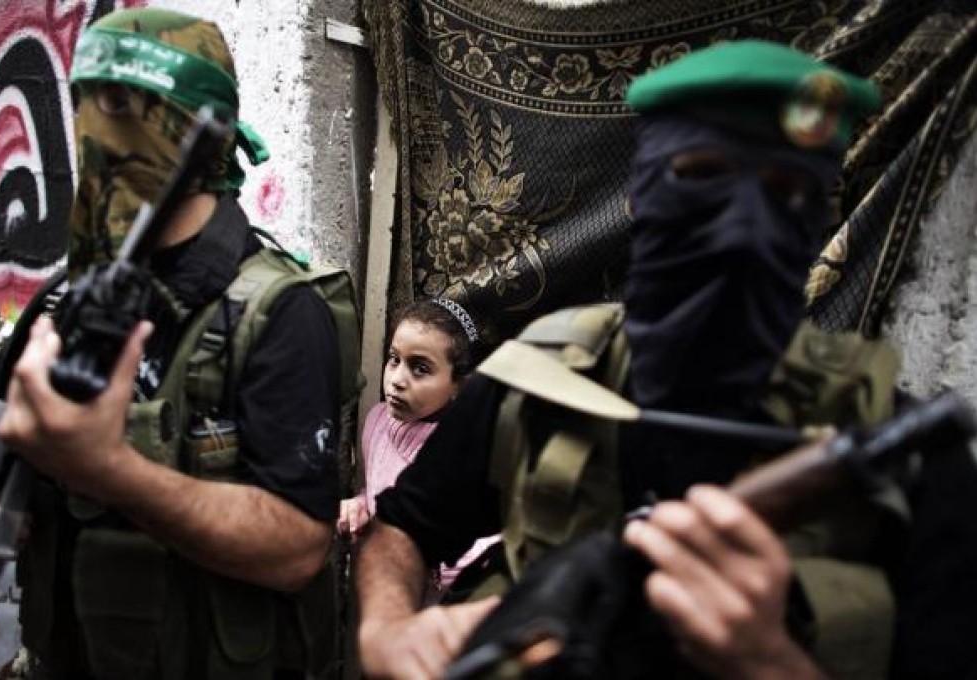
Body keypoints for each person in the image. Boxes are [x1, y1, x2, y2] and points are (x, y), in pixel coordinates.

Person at [353, 40, 977, 679]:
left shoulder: (909, 461)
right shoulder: (537, 386)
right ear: (643, 194)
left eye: (786, 191)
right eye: (704, 176)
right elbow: (404, 527)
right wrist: (389, 630)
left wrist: (768, 661)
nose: (742, 222)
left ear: (820, 217)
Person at [0, 8, 348, 679]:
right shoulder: (70, 294)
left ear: (196, 129)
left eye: (115, 104)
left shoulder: (279, 312)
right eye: (82, 103)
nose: (88, 131)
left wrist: (110, 471)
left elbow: (297, 548)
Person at [337, 298, 499, 594]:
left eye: (420, 368)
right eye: (394, 359)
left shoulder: (462, 454)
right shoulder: (377, 421)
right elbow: (375, 489)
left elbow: (482, 548)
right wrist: (359, 508)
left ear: (459, 386)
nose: (397, 380)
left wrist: (424, 561)